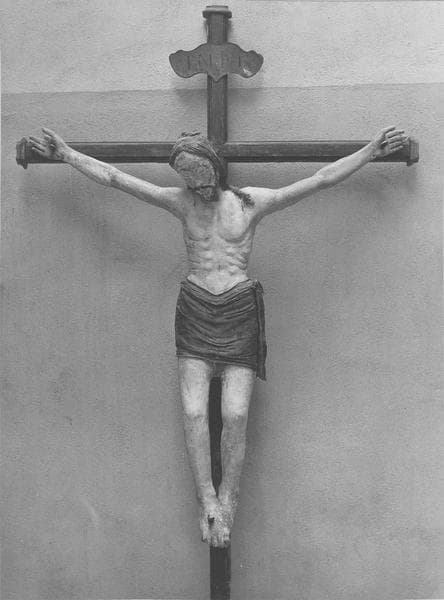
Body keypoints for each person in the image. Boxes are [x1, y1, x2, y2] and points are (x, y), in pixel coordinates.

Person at [30, 125, 408, 548]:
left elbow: (320, 179)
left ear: (214, 166)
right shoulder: (180, 202)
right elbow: (117, 179)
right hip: (195, 309)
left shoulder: (250, 203)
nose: (197, 186)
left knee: (236, 414)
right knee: (193, 413)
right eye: (188, 178)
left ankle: (228, 497)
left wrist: (370, 151)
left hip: (239, 310)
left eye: (201, 175)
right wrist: (66, 154)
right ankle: (207, 499)